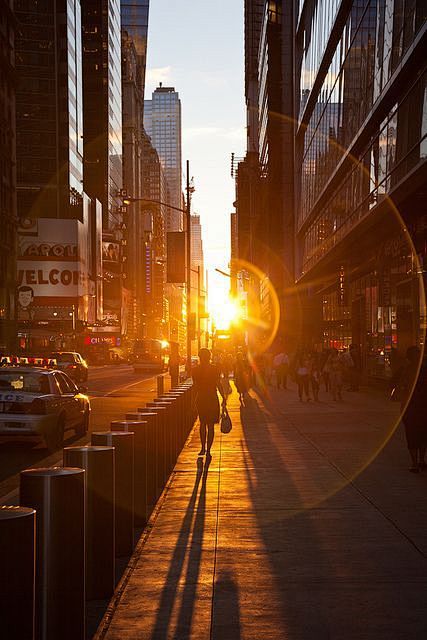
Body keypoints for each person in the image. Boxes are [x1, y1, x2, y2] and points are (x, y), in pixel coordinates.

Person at [192, 348, 225, 458]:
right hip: (212, 397)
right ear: (209, 357)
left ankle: (203, 448)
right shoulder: (215, 369)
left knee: (202, 423)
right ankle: (209, 449)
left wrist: (193, 401)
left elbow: (195, 387)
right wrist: (223, 397)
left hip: (201, 398)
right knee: (210, 425)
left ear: (200, 357)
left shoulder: (195, 370)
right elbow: (218, 384)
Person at [398, 347, 427, 473]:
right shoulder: (425, 369)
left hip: (410, 407)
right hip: (423, 406)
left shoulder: (405, 370)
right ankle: (421, 460)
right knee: (423, 434)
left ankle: (415, 463)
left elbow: (396, 385)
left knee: (412, 435)